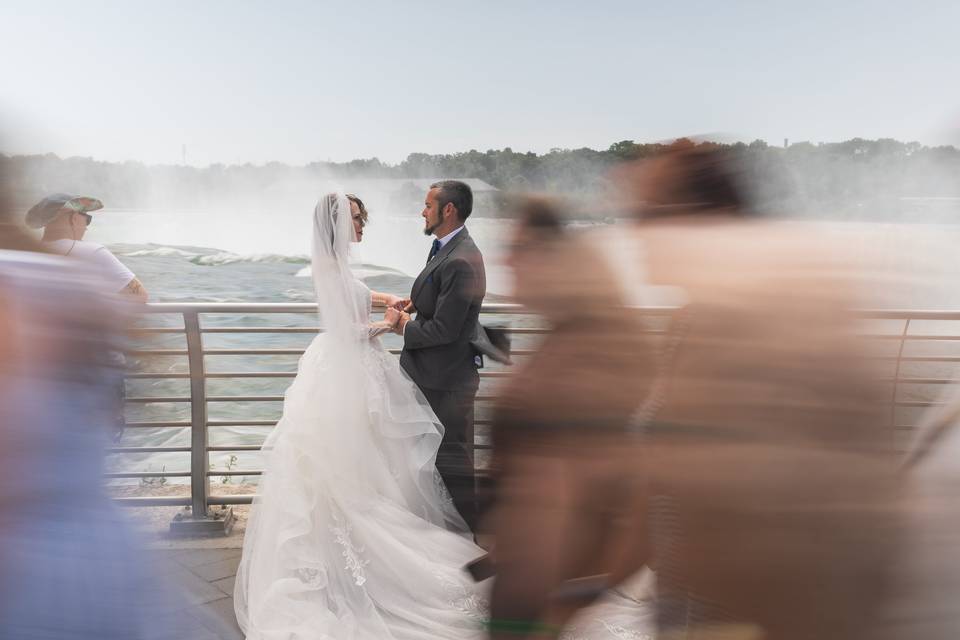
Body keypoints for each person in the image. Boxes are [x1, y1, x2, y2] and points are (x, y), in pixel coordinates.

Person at [234, 192, 488, 640]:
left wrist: (389, 302)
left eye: (360, 216)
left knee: (364, 461)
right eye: (354, 218)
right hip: (344, 366)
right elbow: (341, 327)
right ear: (335, 223)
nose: (362, 223)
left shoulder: (336, 263)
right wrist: (388, 325)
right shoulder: (330, 266)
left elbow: (353, 296)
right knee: (350, 465)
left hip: (346, 369)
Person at [484, 197, 656, 639]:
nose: (507, 259)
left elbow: (639, 494)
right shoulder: (563, 339)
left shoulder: (588, 360)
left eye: (518, 248)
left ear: (551, 258)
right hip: (525, 588)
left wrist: (575, 598)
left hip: (542, 596)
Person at [392, 180, 487, 531]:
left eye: (428, 205)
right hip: (432, 379)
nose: (422, 210)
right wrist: (416, 303)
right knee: (434, 463)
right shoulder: (446, 247)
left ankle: (471, 545)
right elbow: (442, 302)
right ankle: (441, 535)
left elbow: (445, 331)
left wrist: (402, 324)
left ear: (448, 210)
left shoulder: (462, 259)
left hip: (445, 384)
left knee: (453, 466)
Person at [26, 192, 148, 301]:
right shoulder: (93, 252)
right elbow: (140, 297)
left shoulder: (27, 254)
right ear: (74, 218)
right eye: (87, 218)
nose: (86, 227)